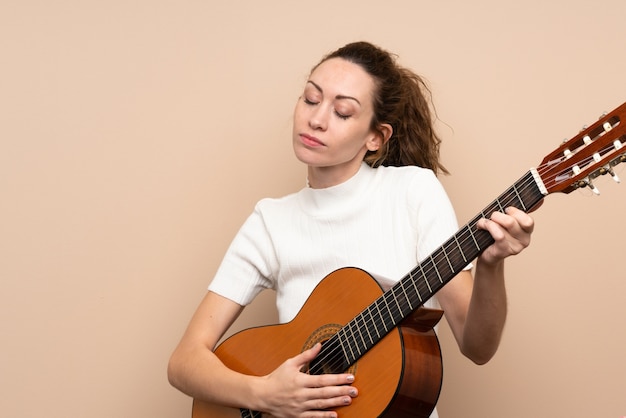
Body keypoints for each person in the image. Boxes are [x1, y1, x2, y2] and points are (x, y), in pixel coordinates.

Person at [167, 41, 536, 418]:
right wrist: (264, 394)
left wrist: (491, 265)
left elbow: (477, 347)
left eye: (342, 112)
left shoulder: (414, 192)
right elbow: (184, 362)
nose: (317, 119)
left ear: (375, 138)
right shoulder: (270, 221)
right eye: (311, 100)